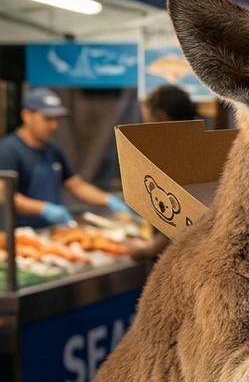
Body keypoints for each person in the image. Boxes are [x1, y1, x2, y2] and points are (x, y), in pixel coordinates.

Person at [0, 87, 132, 228]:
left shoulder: (53, 150)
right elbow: (3, 194)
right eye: (47, 118)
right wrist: (44, 209)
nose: (54, 125)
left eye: (56, 119)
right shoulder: (7, 150)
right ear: (26, 115)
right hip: (18, 232)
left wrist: (108, 200)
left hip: (50, 231)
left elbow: (76, 185)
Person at [124, 85, 200, 261]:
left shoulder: (180, 153)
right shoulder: (204, 141)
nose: (145, 126)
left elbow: (187, 219)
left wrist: (148, 249)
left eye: (147, 119)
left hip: (183, 260)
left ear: (161, 116)